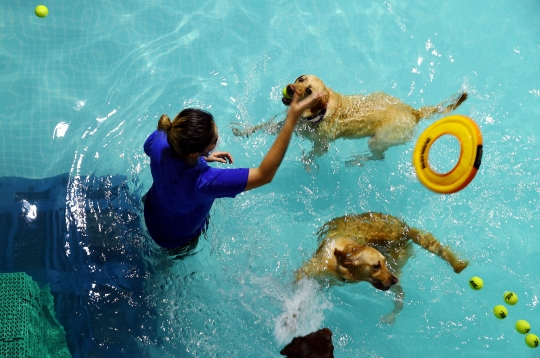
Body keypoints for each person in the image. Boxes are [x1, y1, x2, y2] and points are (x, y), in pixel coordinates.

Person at [143, 89, 322, 254]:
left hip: (152, 211)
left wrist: (201, 158)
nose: (217, 140)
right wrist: (291, 120)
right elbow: (264, 175)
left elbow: (158, 153)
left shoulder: (162, 138)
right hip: (175, 238)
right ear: (193, 152)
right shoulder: (204, 182)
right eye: (214, 140)